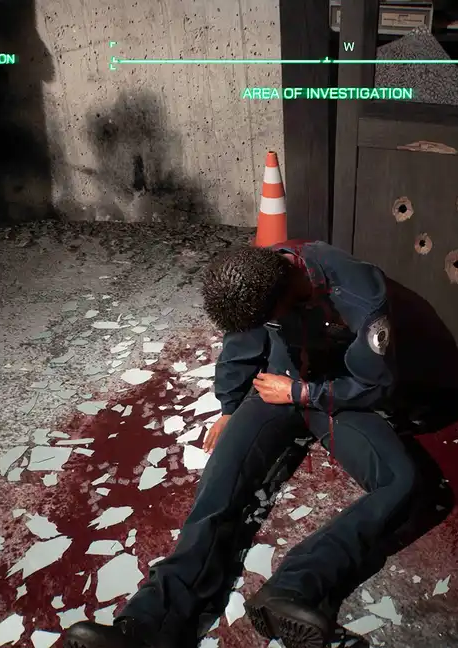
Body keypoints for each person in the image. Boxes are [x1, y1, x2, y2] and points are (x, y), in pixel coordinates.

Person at [65, 241, 418, 648]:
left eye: (270, 318)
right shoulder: (255, 277)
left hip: (335, 396)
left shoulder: (360, 292)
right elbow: (240, 344)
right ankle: (148, 625)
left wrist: (303, 393)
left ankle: (294, 588)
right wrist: (231, 407)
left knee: (401, 482)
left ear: (287, 294)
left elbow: (375, 383)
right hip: (273, 390)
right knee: (217, 492)